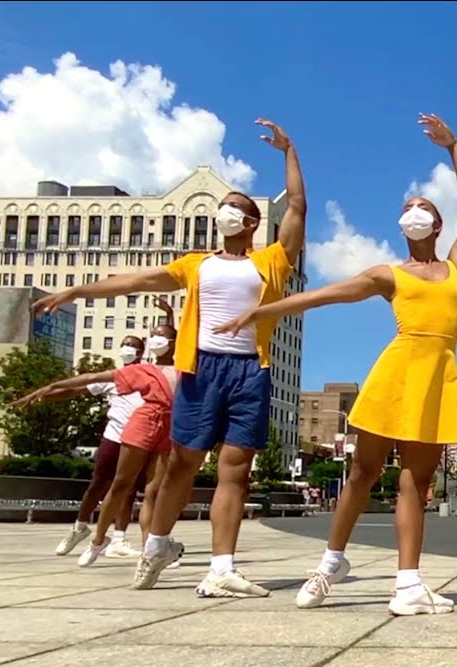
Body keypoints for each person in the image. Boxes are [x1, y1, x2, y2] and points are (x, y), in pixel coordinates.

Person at [31, 118, 307, 597]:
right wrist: (79, 288)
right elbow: (136, 281)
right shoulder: (195, 264)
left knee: (235, 468)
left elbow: (299, 206)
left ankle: (222, 568)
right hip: (200, 368)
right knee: (183, 463)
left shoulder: (271, 261)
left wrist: (289, 151)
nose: (227, 212)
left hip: (249, 370)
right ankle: (157, 545)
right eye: (223, 207)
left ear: (254, 222)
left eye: (237, 208)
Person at [214, 114, 457, 615]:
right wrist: (262, 311)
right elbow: (325, 295)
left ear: (438, 226)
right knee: (361, 472)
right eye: (408, 208)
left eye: (424, 208)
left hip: (437, 378)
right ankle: (330, 562)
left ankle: (408, 585)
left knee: (415, 484)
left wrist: (453, 146)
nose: (414, 212)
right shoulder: (388, 274)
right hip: (396, 373)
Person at [14, 324, 180, 567]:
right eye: (152, 335)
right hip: (129, 432)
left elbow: (184, 329)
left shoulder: (185, 368)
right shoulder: (142, 371)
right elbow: (89, 380)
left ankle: (149, 549)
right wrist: (47, 390)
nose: (155, 339)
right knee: (113, 484)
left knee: (152, 492)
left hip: (168, 430)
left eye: (160, 336)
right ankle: (93, 537)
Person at [49, 334, 147, 562]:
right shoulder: (113, 377)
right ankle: (79, 527)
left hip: (138, 438)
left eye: (133, 346)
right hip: (113, 435)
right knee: (98, 483)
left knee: (127, 487)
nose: (127, 348)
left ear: (142, 352)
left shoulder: (148, 375)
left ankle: (118, 540)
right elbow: (77, 390)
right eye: (125, 344)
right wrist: (46, 394)